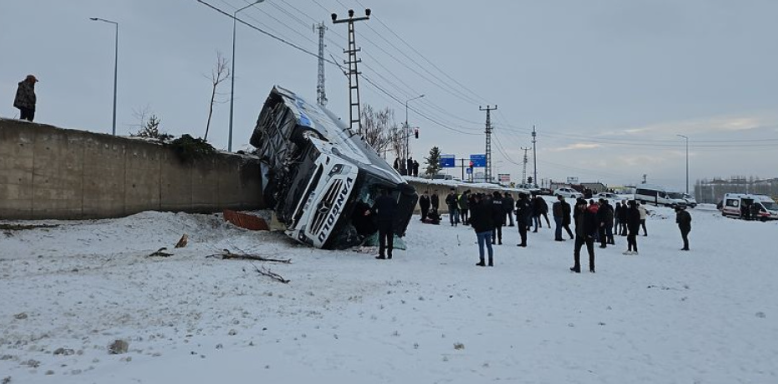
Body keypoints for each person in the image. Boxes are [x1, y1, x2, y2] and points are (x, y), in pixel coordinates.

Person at [571, 198, 597, 273]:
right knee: (576, 251)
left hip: (588, 235)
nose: (579, 206)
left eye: (581, 205)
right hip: (579, 234)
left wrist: (591, 234)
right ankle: (577, 267)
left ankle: (592, 268)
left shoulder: (591, 213)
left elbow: (595, 225)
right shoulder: (578, 213)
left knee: (590, 252)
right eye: (579, 205)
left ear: (585, 205)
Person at [371, 188, 397, 260]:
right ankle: (390, 254)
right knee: (390, 238)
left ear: (381, 193)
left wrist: (368, 211)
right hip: (390, 221)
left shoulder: (379, 199)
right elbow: (396, 209)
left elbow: (374, 208)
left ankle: (382, 254)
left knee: (382, 238)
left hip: (382, 221)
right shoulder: (393, 199)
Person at [470, 193, 494, 266]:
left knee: (481, 246)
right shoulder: (488, 206)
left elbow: (473, 218)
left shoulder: (476, 207)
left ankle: (482, 260)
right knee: (489, 245)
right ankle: (490, 261)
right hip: (488, 228)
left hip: (480, 229)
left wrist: (474, 225)